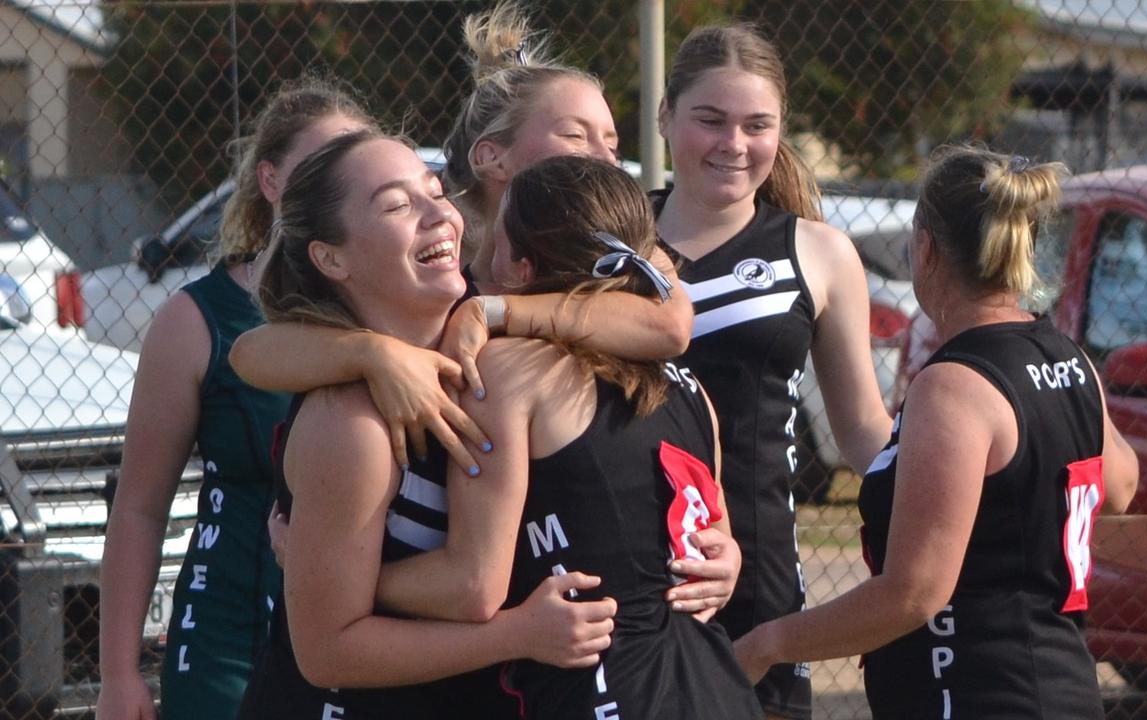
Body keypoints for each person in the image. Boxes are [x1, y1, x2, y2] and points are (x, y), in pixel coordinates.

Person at [229, 1, 738, 619]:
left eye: (611, 140)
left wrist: (494, 314)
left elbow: (670, 322)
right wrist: (375, 353)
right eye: (576, 135)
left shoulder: (614, 252)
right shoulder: (440, 260)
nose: (603, 158)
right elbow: (253, 351)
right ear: (492, 157)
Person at [733, 146, 1141, 719]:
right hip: (1063, 686)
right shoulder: (1066, 357)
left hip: (979, 693)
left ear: (924, 249)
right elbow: (1121, 484)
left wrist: (765, 645)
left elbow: (913, 594)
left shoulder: (953, 386)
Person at [236, 131, 618, 720]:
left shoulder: (500, 355)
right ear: (331, 258)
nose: (438, 213)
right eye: (396, 205)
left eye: (435, 191)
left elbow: (668, 321)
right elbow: (328, 651)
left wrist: (705, 538)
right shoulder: (351, 423)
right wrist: (516, 634)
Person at [372, 154, 762, 720]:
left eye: (499, 239)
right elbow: (715, 548)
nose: (483, 254)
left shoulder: (508, 372)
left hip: (606, 692)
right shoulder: (691, 389)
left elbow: (473, 585)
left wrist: (349, 582)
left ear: (524, 271)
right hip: (719, 690)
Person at [97, 78, 376, 720]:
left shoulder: (392, 310)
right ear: (271, 181)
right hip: (229, 641)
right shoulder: (197, 319)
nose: (338, 180)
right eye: (320, 163)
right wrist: (118, 675)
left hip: (360, 632)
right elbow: (139, 506)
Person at [653, 23, 894, 718]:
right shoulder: (611, 240)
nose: (734, 145)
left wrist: (963, 486)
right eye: (711, 120)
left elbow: (860, 430)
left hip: (757, 592)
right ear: (666, 116)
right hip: (625, 578)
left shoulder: (817, 251)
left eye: (757, 125)